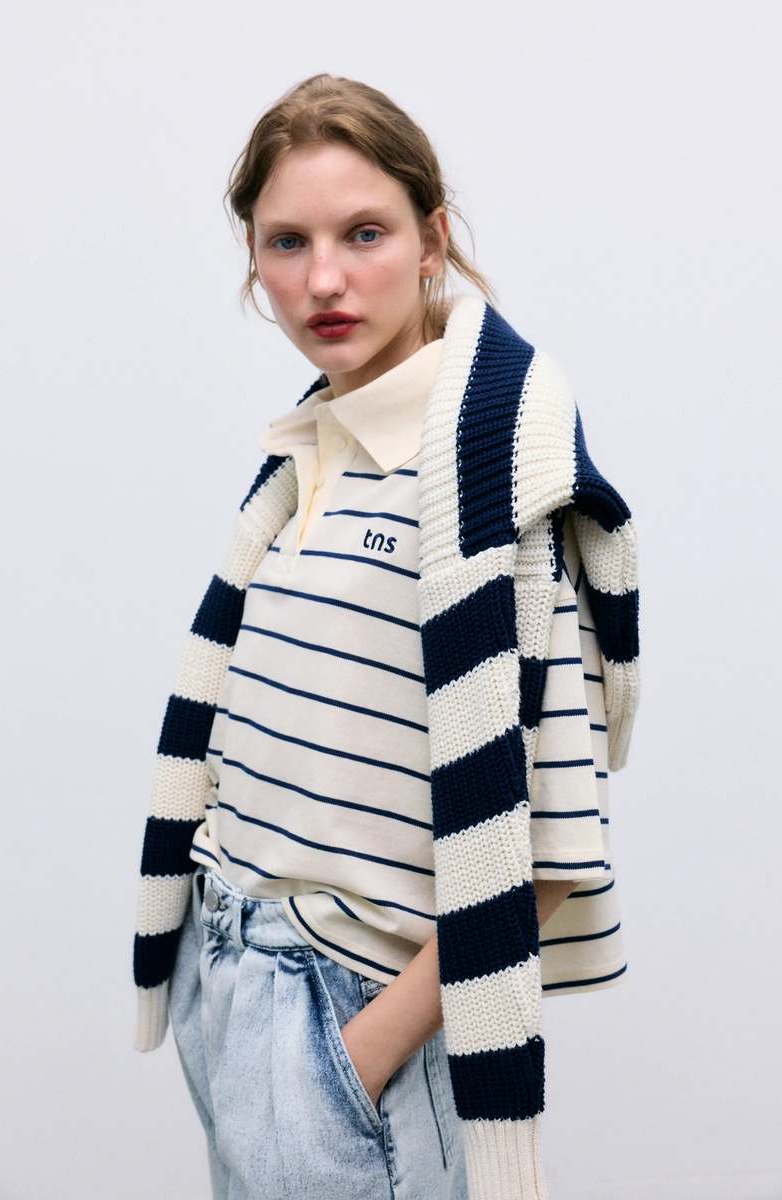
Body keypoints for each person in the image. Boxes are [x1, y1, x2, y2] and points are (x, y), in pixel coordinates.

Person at [131, 73, 640, 1200]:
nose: (323, 279)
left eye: (364, 233)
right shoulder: (305, 460)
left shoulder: (489, 479)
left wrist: (353, 1058)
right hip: (230, 978)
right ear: (253, 259)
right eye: (287, 242)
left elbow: (547, 847)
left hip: (353, 1015)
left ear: (431, 242)